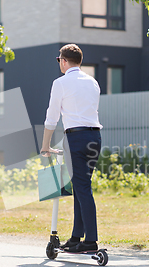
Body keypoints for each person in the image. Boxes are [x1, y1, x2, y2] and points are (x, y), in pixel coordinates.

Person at [41, 44, 103, 253]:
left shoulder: (60, 83)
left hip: (75, 138)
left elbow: (52, 117)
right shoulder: (93, 82)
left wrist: (45, 145)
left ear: (64, 61)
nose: (59, 63)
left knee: (82, 187)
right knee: (81, 185)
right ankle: (77, 237)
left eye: (59, 60)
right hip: (95, 137)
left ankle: (91, 240)